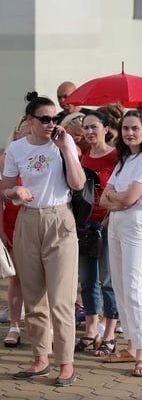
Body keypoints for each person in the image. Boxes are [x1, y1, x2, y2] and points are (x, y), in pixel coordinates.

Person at [1, 93, 86, 386]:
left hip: (59, 218)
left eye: (54, 119)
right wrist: (15, 193)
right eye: (45, 119)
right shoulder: (16, 148)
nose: (51, 124)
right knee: (33, 296)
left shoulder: (64, 143)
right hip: (27, 219)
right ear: (30, 121)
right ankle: (40, 358)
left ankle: (66, 363)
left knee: (61, 299)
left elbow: (78, 183)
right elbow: (6, 188)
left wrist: (64, 147)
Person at [99, 110, 142, 377]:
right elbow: (104, 199)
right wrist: (118, 197)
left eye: (135, 128)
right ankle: (131, 347)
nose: (129, 133)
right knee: (121, 288)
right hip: (115, 223)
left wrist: (117, 197)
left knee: (134, 289)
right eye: (125, 128)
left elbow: (128, 199)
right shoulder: (124, 160)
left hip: (136, 224)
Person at [76, 111, 119, 357]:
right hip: (85, 227)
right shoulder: (82, 157)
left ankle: (110, 331)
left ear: (106, 129)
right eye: (86, 128)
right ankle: (91, 329)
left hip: (107, 225)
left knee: (108, 281)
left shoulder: (116, 157)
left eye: (95, 127)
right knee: (87, 279)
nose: (90, 132)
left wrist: (109, 218)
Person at [0, 117, 30, 348]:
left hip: (37, 222)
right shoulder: (6, 159)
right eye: (24, 131)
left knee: (41, 279)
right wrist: (1, 229)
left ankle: (43, 326)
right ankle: (14, 326)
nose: (27, 135)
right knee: (16, 278)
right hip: (12, 222)